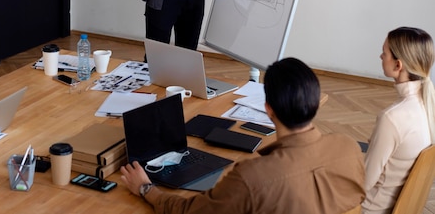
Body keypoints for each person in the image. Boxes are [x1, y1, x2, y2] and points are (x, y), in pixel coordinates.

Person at [120, 57, 365, 214]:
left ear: (268, 109)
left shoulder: (252, 176)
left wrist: (146, 189)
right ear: (315, 103)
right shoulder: (349, 147)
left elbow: (190, 212)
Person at [362, 27, 435, 214]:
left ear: (398, 65)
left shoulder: (392, 118)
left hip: (368, 208)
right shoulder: (427, 106)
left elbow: (364, 182)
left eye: (384, 53)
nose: (380, 56)